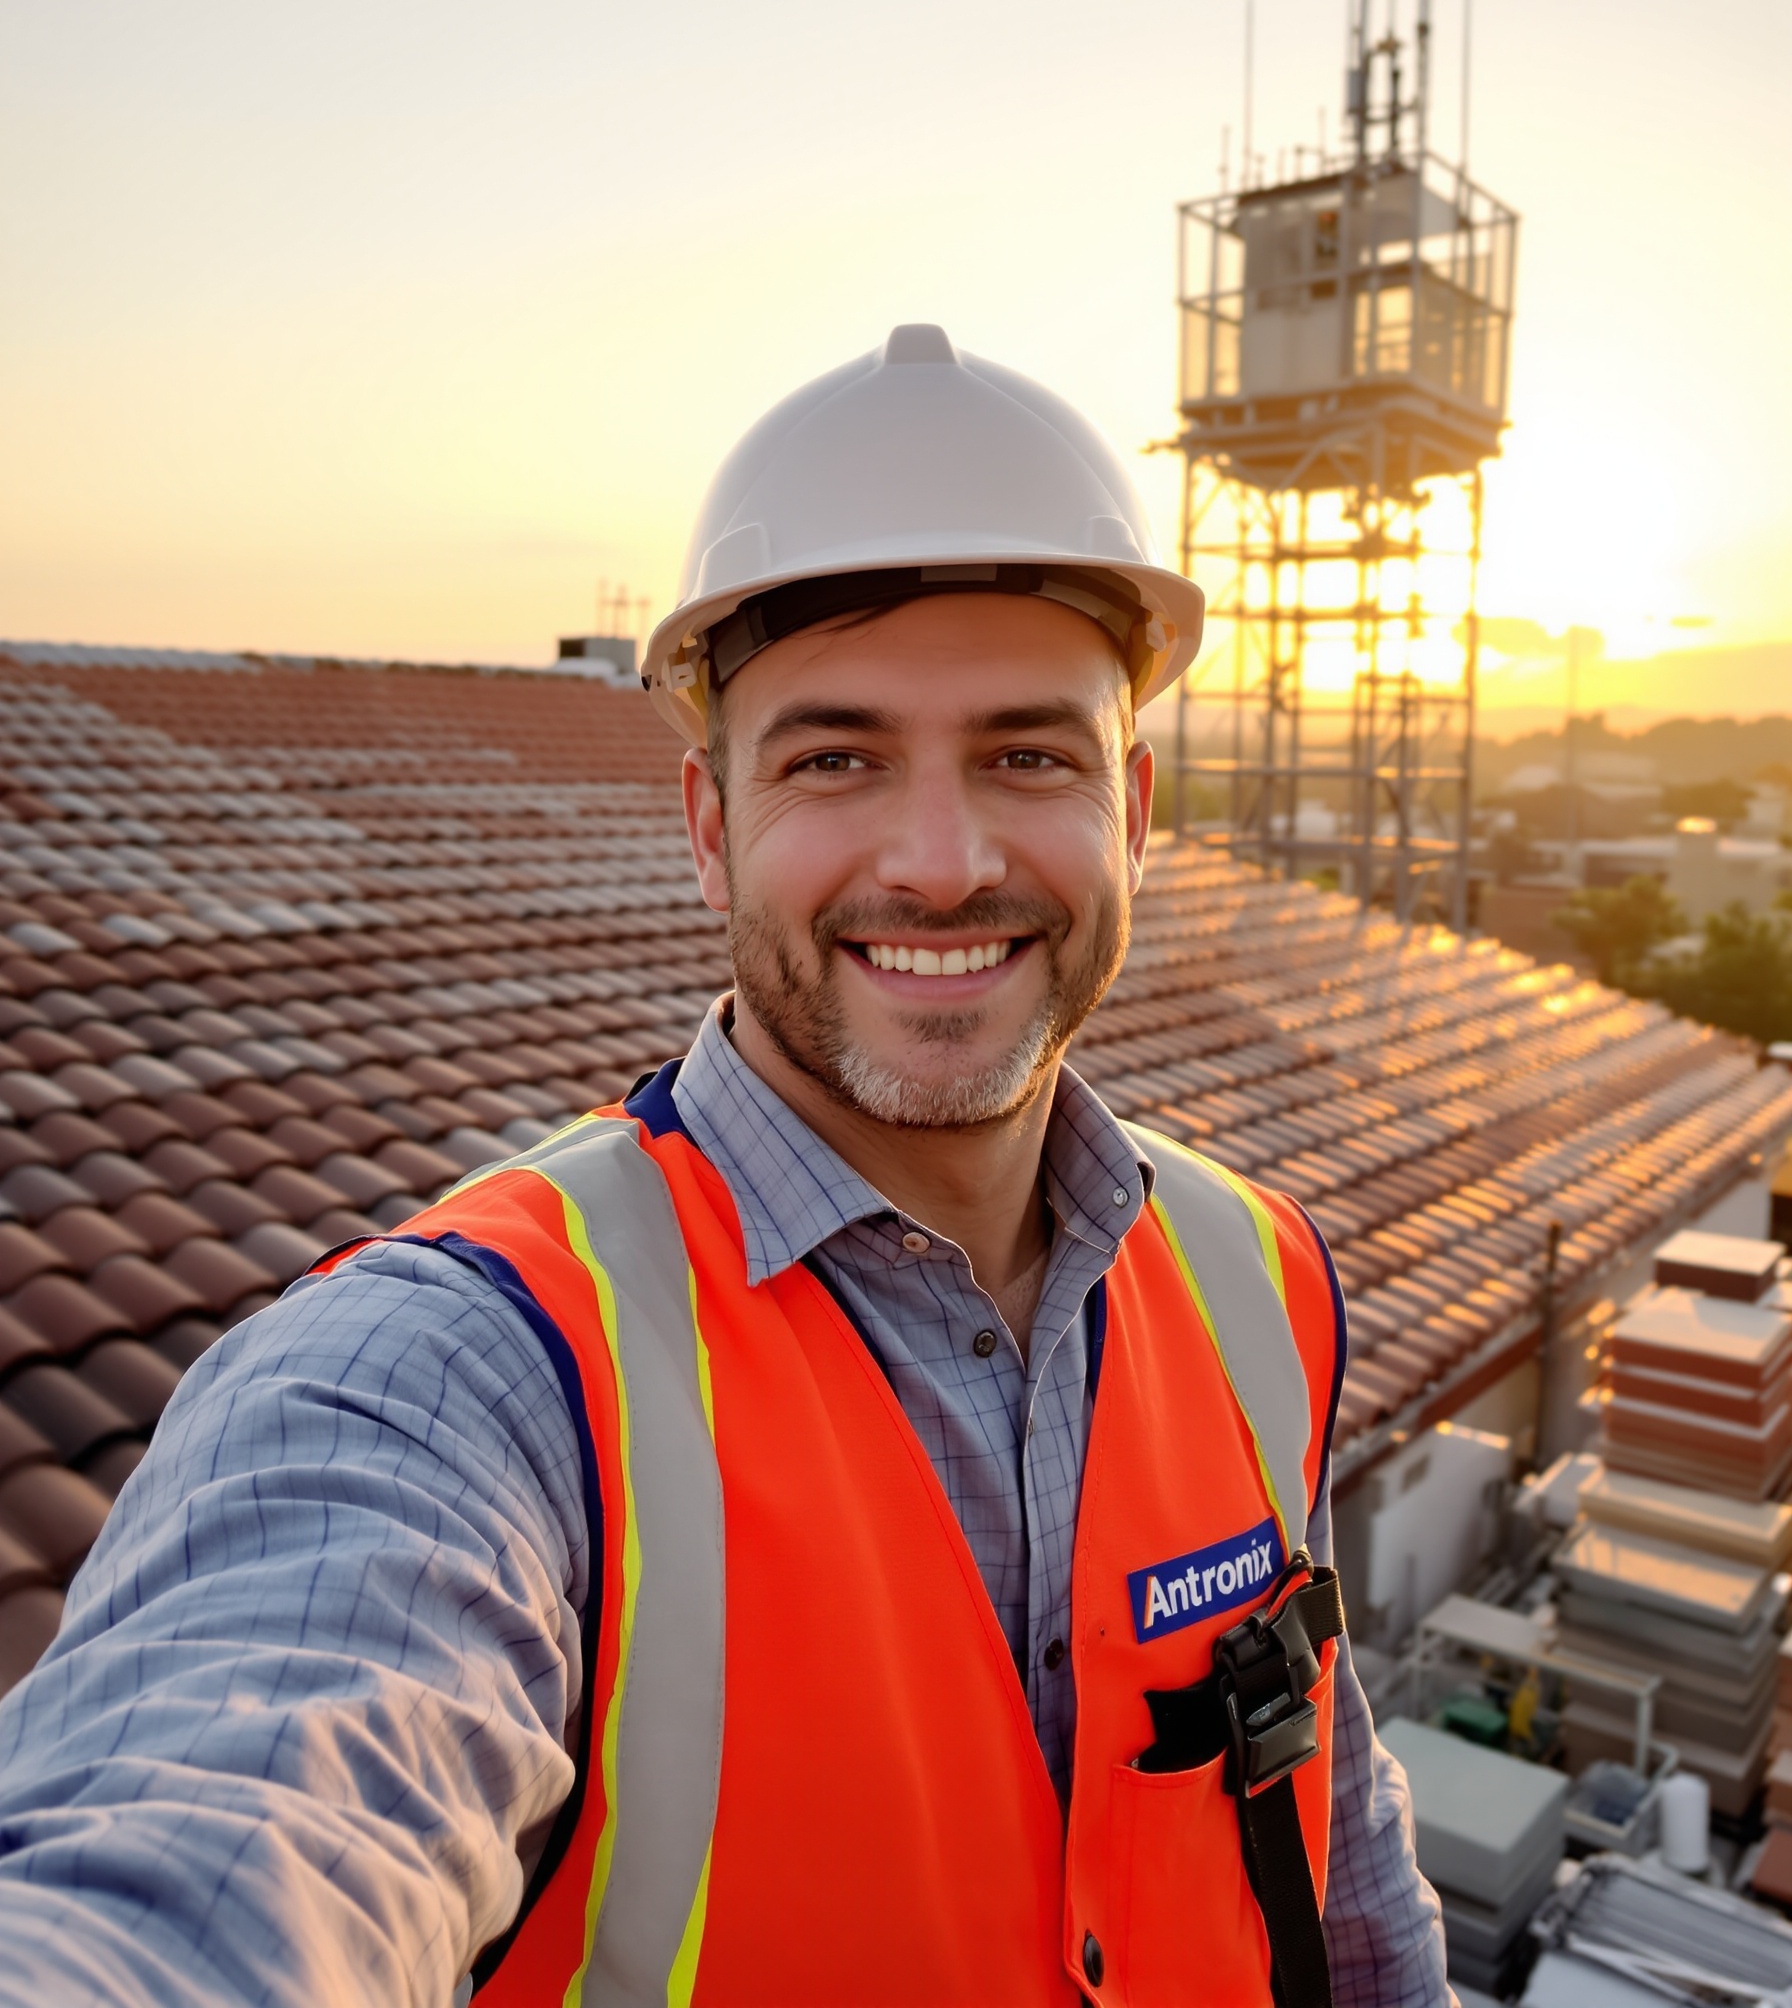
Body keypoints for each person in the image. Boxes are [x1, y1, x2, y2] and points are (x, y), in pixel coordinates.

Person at [0, 326, 1447, 2006]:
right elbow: (224, 1840)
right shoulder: (470, 1372)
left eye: (1027, 754)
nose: (941, 861)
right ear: (707, 827)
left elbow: (1341, 1869)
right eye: (834, 758)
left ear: (1133, 811)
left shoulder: (1255, 1279)